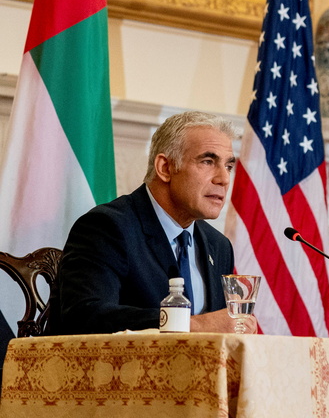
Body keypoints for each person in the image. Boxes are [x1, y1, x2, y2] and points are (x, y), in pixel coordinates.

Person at [48, 111, 247, 334]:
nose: (224, 179)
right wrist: (190, 325)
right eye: (208, 162)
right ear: (165, 168)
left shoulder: (218, 245)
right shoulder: (106, 227)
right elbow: (85, 316)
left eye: (228, 166)